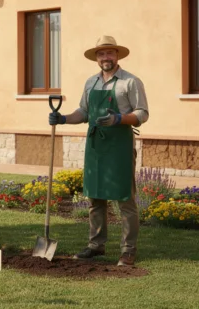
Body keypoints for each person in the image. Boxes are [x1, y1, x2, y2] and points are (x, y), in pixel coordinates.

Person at [48, 35, 149, 267]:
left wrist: (119, 119)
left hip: (120, 147)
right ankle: (96, 244)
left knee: (125, 199)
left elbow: (142, 113)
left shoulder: (131, 82)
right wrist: (63, 118)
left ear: (117, 55)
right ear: (97, 58)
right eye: (101, 53)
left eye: (110, 53)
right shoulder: (90, 83)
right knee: (95, 197)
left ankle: (128, 250)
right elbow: (83, 112)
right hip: (95, 147)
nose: (106, 57)